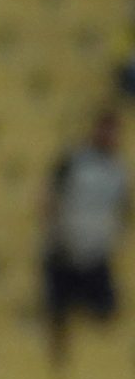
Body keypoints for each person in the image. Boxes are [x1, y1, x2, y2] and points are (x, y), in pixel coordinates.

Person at [43, 112, 129, 362]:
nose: (109, 136)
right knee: (58, 312)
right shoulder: (74, 160)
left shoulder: (118, 171)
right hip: (66, 248)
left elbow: (122, 210)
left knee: (105, 312)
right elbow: (50, 194)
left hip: (96, 252)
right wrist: (54, 227)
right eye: (105, 130)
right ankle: (58, 354)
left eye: (113, 132)